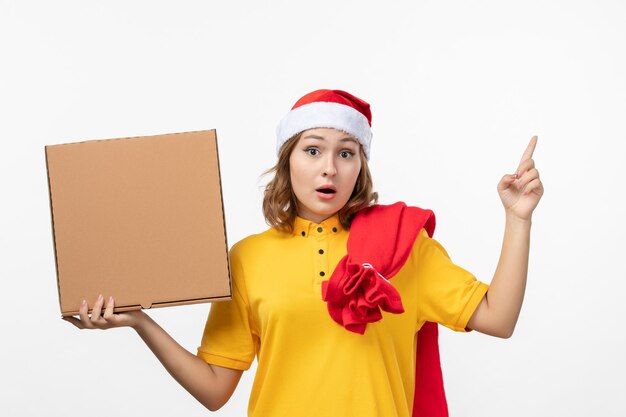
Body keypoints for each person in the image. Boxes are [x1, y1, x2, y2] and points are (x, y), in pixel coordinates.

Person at [64, 89, 544, 417]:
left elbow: (497, 318)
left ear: (361, 166)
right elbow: (214, 390)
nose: (329, 168)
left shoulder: (404, 245)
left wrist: (517, 218)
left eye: (346, 152)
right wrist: (140, 321)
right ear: (287, 160)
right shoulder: (248, 258)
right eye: (312, 150)